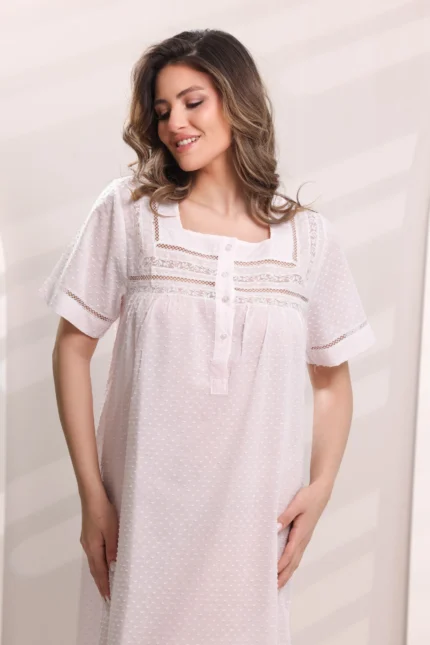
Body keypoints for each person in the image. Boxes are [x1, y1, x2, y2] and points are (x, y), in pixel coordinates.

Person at [39, 28, 376, 645]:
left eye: (193, 102)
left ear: (236, 99)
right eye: (162, 109)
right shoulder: (130, 212)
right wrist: (92, 497)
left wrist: (322, 487)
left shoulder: (308, 240)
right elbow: (71, 346)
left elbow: (331, 379)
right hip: (142, 514)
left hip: (255, 522)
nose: (175, 123)